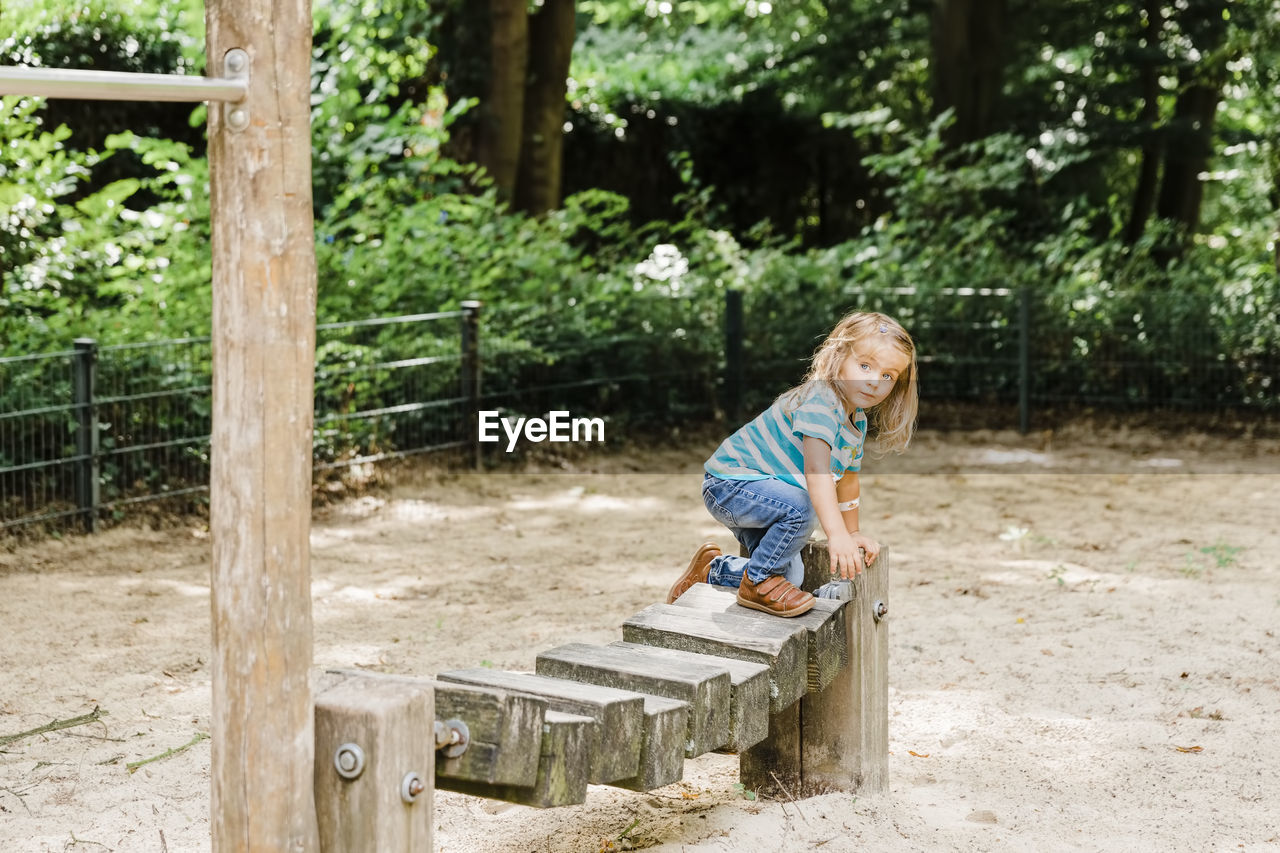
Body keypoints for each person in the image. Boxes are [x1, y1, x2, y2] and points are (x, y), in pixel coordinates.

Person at [666, 311, 918, 617]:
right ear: (838, 357)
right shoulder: (822, 401)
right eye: (864, 365)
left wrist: (851, 534)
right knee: (802, 507)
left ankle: (711, 572)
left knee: (787, 578)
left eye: (887, 375)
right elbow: (817, 473)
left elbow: (848, 480)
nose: (874, 381)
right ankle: (756, 582)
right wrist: (835, 535)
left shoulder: (858, 422)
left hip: (764, 495)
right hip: (730, 485)